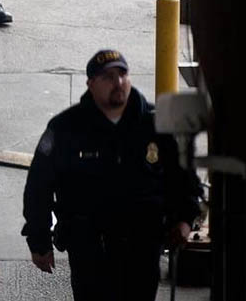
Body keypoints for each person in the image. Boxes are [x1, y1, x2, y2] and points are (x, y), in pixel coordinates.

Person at [22, 49, 203, 301]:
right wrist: (39, 239)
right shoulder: (65, 128)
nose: (118, 83)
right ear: (91, 84)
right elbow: (38, 185)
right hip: (89, 248)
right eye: (108, 77)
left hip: (142, 245)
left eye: (122, 74)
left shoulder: (158, 124)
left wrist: (184, 218)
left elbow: (184, 177)